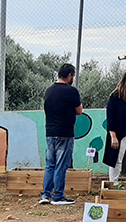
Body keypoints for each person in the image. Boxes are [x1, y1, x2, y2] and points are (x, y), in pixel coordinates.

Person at [40, 63, 83, 206]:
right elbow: (79, 111)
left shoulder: (49, 90)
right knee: (61, 165)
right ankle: (58, 196)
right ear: (70, 75)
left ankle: (46, 194)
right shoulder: (72, 91)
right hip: (65, 132)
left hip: (50, 132)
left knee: (50, 164)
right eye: (73, 76)